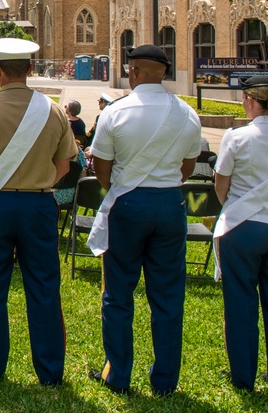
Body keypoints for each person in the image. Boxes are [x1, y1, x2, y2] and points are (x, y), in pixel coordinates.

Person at [0, 37, 77, 386]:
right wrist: (38, 182)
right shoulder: (52, 110)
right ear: (30, 70)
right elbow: (65, 165)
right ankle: (50, 371)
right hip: (38, 203)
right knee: (44, 286)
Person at [88, 44, 202, 396]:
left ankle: (118, 374)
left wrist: (128, 186)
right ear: (164, 73)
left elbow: (103, 171)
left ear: (133, 72)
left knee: (118, 293)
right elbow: (186, 168)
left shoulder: (115, 113)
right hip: (169, 202)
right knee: (168, 296)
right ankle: (165, 380)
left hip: (128, 203)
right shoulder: (187, 114)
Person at [214, 73, 268, 391]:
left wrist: (231, 207)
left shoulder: (236, 137)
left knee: (240, 305)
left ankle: (243, 377)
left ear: (249, 101)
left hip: (242, 227)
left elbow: (221, 182)